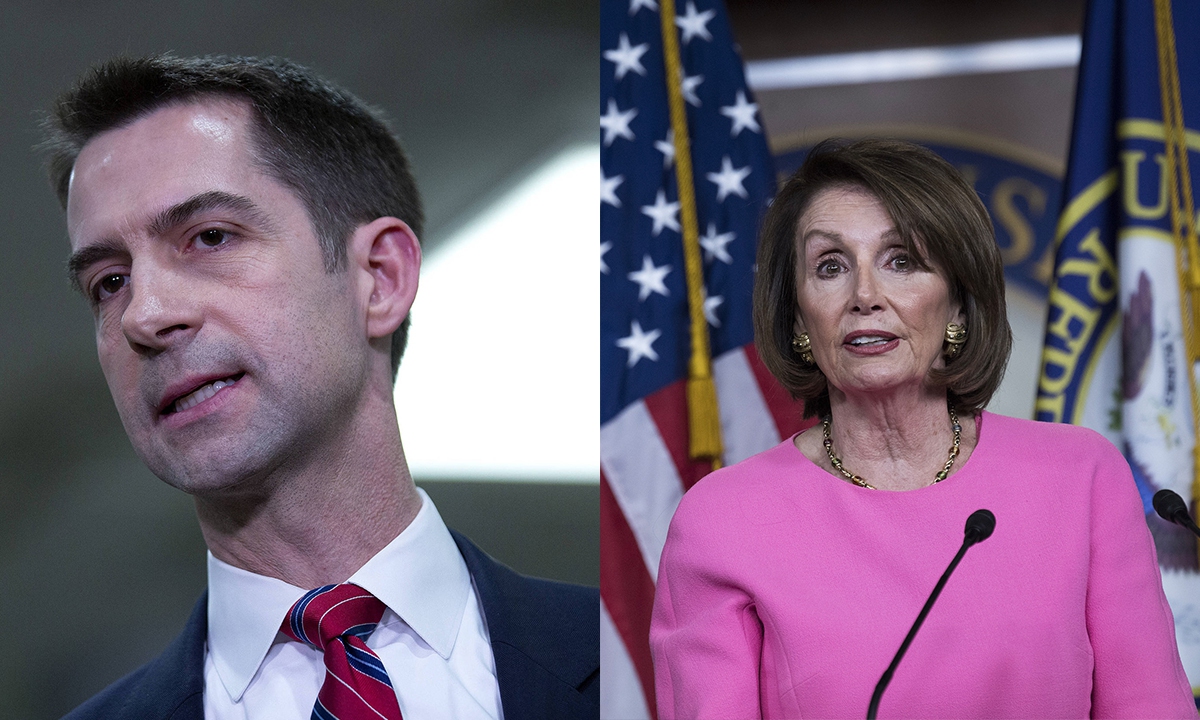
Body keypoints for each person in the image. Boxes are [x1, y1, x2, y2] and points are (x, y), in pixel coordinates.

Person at [44, 54, 598, 720]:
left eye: (210, 237)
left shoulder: (656, 663)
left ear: (380, 277)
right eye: (109, 282)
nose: (145, 315)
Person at [649, 138, 1196, 718]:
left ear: (959, 302)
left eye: (901, 260)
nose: (865, 296)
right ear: (797, 315)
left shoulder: (1079, 475)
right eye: (830, 267)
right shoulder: (724, 519)